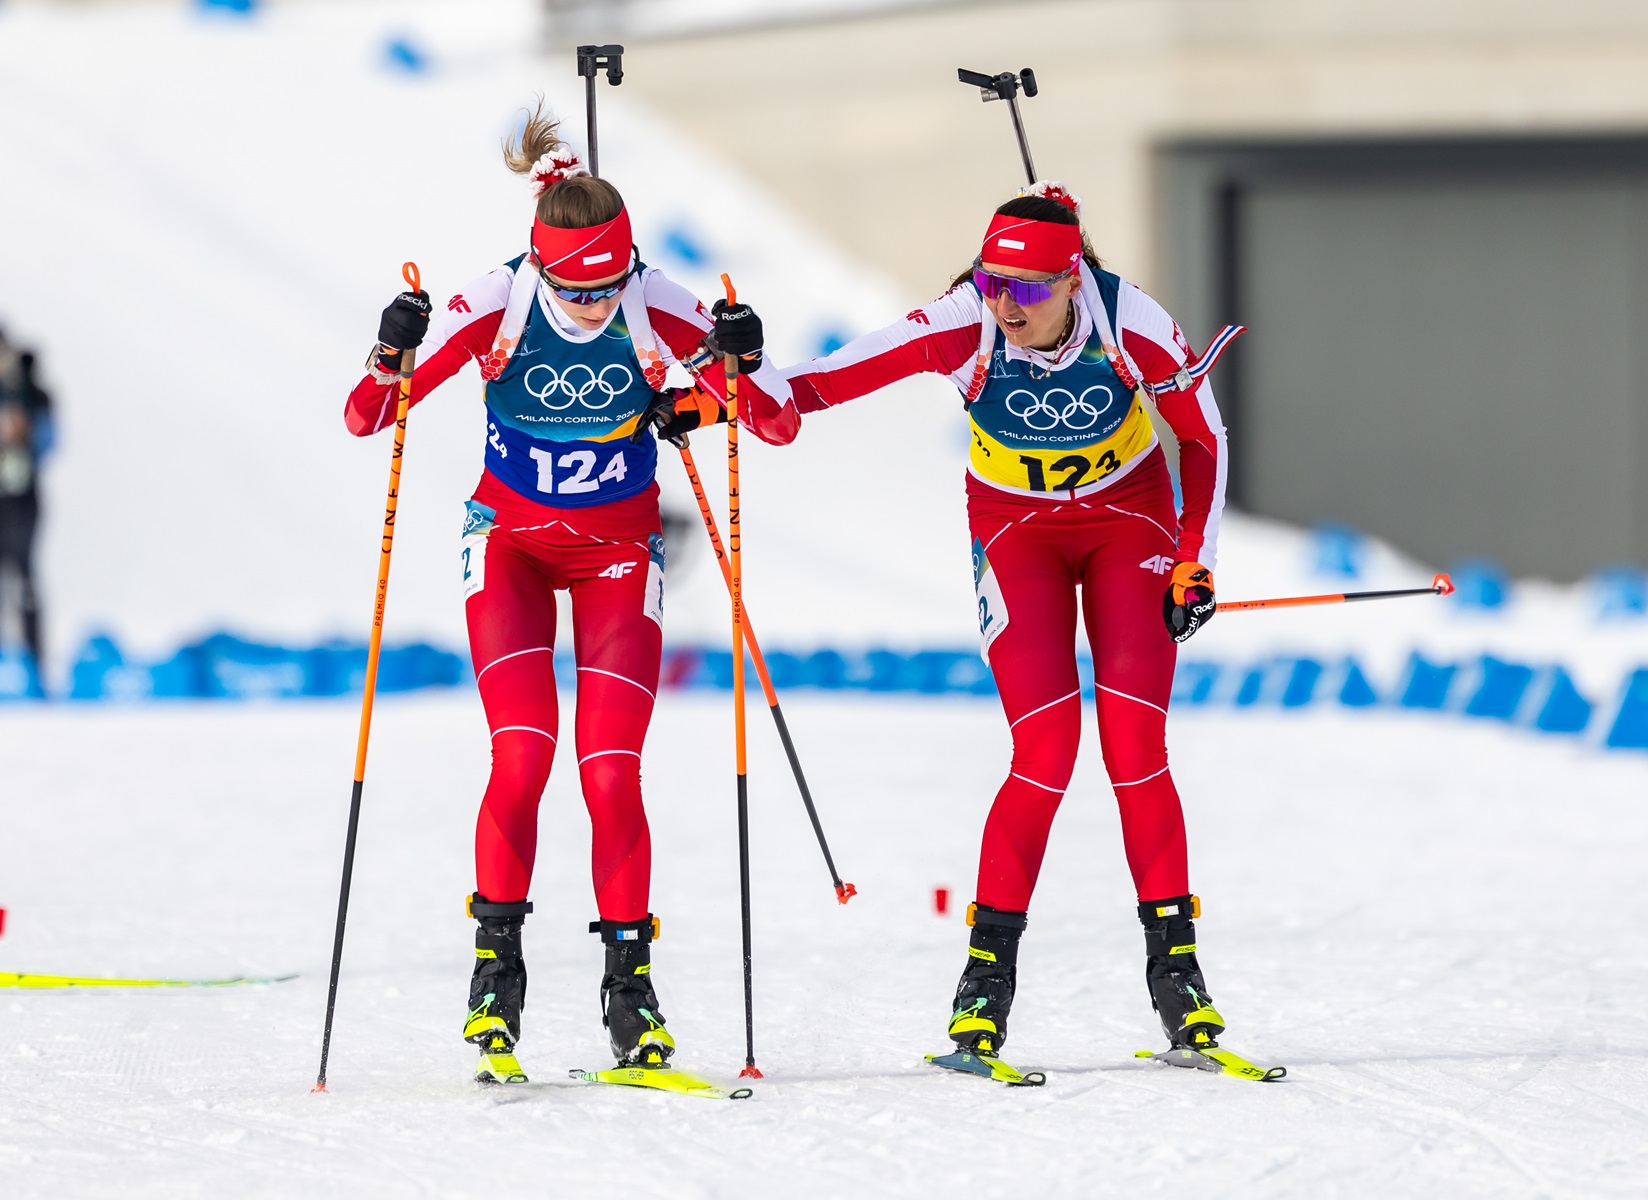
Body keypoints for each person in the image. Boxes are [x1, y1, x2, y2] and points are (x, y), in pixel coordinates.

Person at [678, 182, 1243, 1068]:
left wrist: (1191, 557)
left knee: (1134, 744)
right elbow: (804, 397)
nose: (1004, 304)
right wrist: (738, 371)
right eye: (992, 284)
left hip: (1126, 518)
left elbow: (1201, 440)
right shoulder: (959, 322)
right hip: (1015, 529)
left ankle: (1179, 981)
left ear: (1070, 281)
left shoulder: (1134, 321)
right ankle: (984, 988)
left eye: (1025, 288)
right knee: (1045, 748)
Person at [342, 104, 797, 1084]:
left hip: (617, 553)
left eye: (606, 286)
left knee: (608, 774)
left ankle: (630, 994)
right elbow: (365, 418)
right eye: (572, 286)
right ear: (538, 263)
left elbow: (769, 422)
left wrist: (737, 365)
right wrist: (394, 350)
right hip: (506, 546)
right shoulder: (494, 301)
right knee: (522, 755)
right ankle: (494, 977)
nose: (591, 306)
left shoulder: (652, 297)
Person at [0, 343, 55, 671]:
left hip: (22, 500)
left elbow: (51, 441)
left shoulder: (31, 394)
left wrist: (26, 434)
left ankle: (33, 665)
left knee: (24, 576)